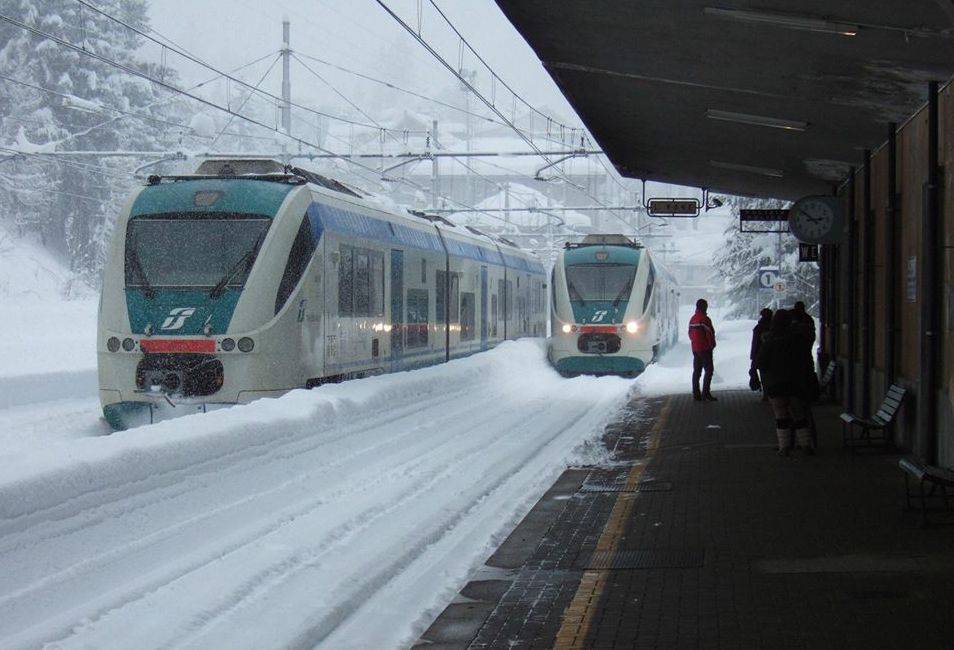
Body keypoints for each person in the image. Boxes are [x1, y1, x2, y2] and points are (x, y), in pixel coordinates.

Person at [755, 309, 813, 456]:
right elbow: (805, 359)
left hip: (776, 383)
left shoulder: (769, 340)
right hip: (795, 382)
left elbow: (760, 361)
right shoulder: (797, 339)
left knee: (781, 415)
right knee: (799, 414)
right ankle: (806, 445)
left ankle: (784, 447)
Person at [688, 298, 716, 401]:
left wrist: (694, 343)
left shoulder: (692, 319)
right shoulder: (705, 319)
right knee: (709, 370)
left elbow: (690, 334)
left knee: (697, 371)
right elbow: (710, 334)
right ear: (705, 307)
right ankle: (706, 393)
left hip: (695, 349)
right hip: (705, 349)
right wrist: (712, 345)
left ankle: (696, 394)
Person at [749, 308, 772, 396]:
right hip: (771, 355)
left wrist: (753, 356)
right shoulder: (773, 327)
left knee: (763, 374)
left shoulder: (758, 327)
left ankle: (766, 393)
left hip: (760, 354)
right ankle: (768, 392)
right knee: (769, 374)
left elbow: (755, 343)